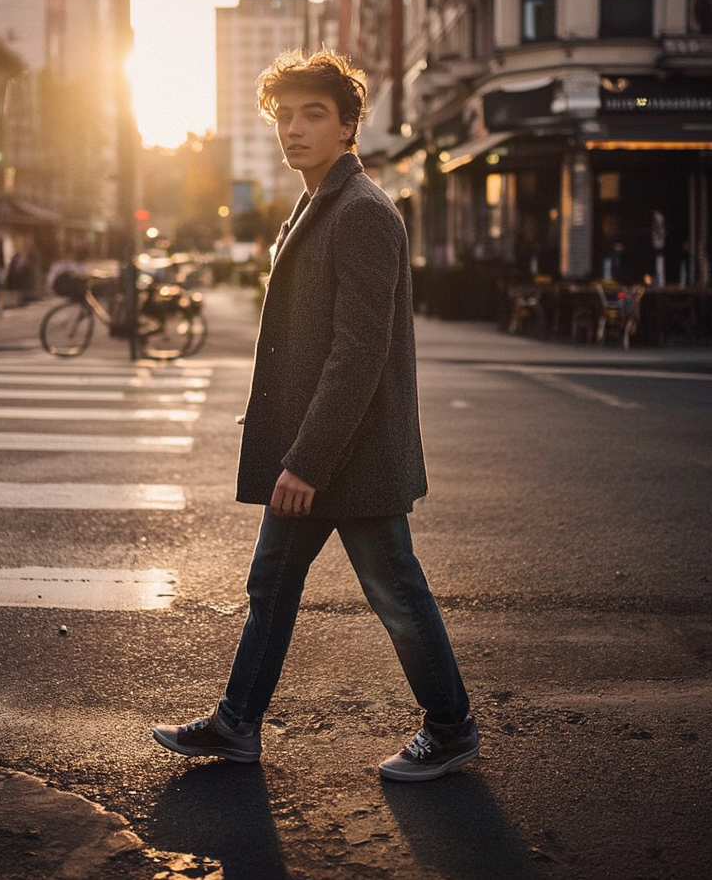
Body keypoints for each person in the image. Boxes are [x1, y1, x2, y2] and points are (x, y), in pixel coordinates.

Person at [153, 48, 477, 782]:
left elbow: (359, 352)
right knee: (271, 584)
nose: (294, 129)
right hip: (317, 450)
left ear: (347, 126)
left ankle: (452, 728)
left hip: (347, 455)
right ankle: (238, 723)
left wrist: (306, 461)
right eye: (285, 116)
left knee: (395, 590)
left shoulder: (361, 211)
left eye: (313, 115)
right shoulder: (317, 202)